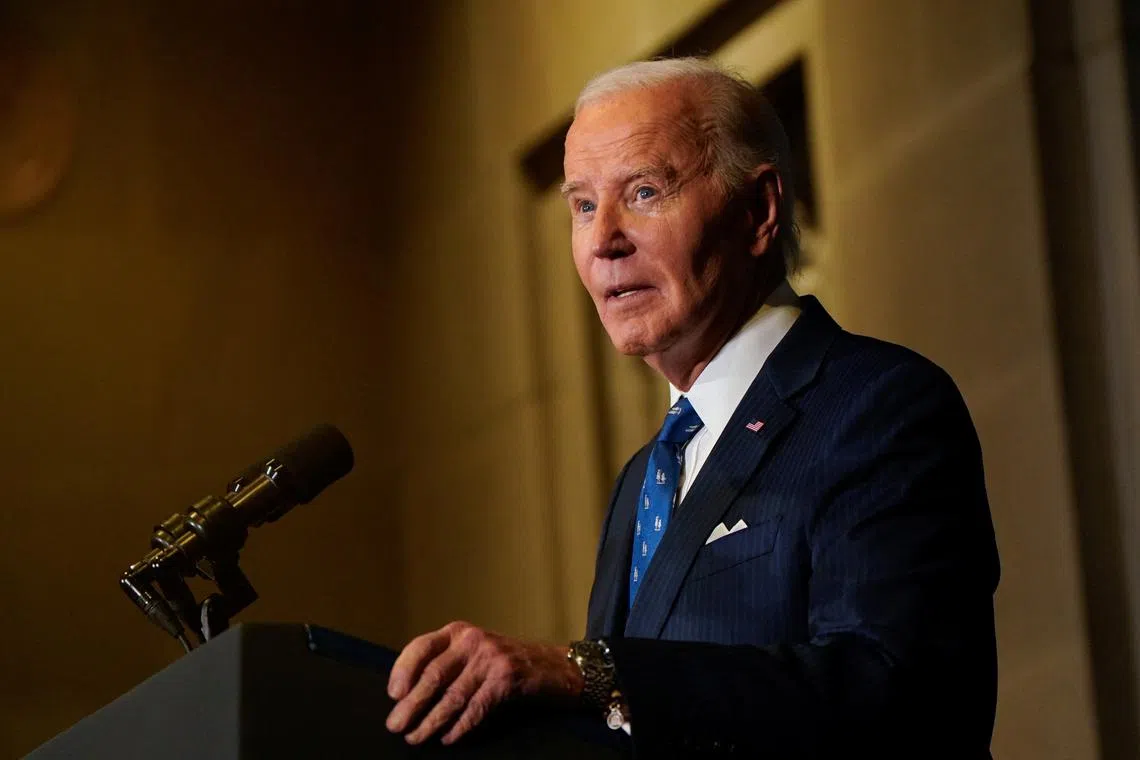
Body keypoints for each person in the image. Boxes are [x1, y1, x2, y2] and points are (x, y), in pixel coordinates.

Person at [385, 57, 999, 758]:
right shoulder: (641, 480)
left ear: (758, 211)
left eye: (644, 192)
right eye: (582, 206)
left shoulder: (878, 405)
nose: (603, 241)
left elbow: (898, 691)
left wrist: (587, 673)